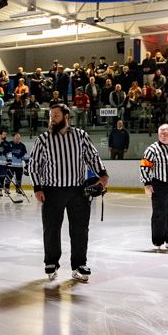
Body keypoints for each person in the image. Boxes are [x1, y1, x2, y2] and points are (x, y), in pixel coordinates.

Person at [28, 103, 109, 282]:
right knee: (51, 229)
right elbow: (33, 165)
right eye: (50, 116)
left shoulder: (80, 136)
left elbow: (92, 156)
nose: (51, 119)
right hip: (51, 192)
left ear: (66, 117)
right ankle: (51, 262)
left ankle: (79, 264)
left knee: (80, 229)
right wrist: (37, 187)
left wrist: (103, 175)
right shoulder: (43, 139)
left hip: (78, 191)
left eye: (55, 115)